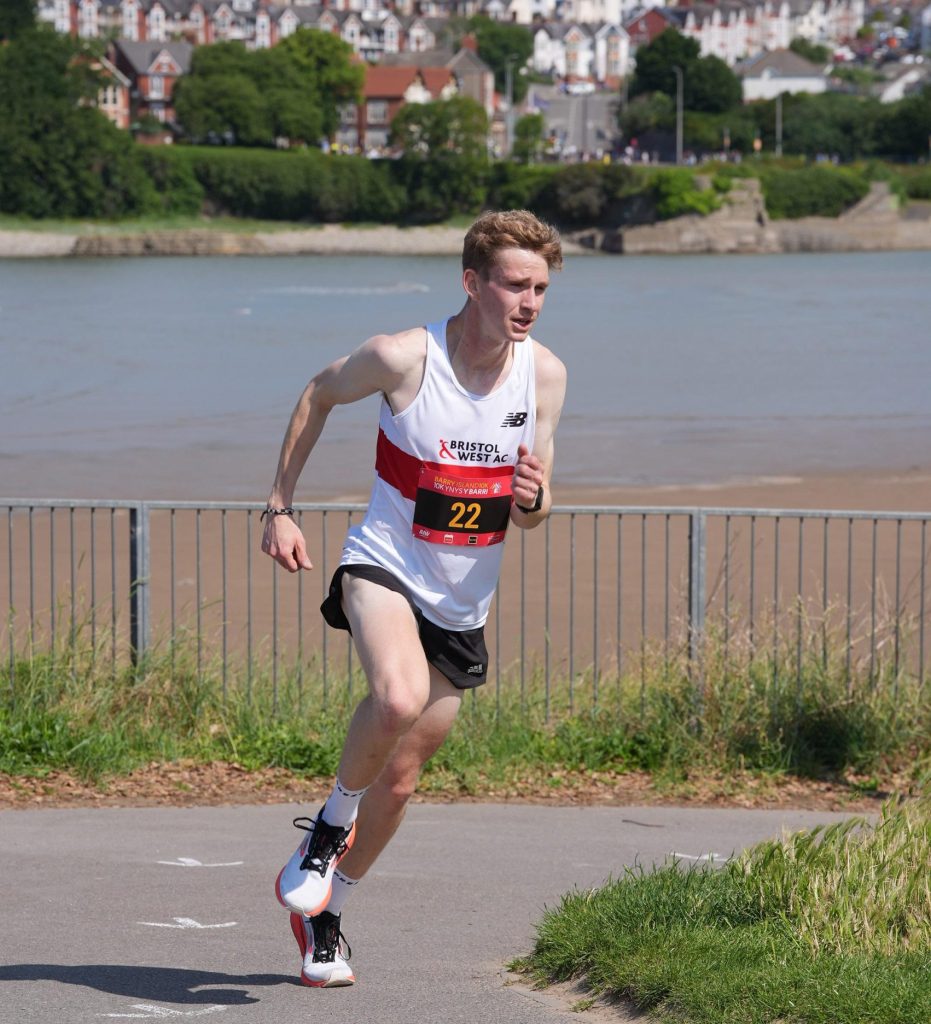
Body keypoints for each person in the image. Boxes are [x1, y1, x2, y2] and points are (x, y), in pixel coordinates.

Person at [261, 209, 567, 988]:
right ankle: (326, 828)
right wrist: (280, 507)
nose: (527, 302)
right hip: (385, 564)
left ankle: (324, 913)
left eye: (539, 287)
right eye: (512, 284)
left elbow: (532, 511)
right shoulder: (401, 358)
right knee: (393, 697)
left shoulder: (546, 376)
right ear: (472, 282)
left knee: (399, 781)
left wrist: (534, 498)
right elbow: (316, 394)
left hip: (463, 602)